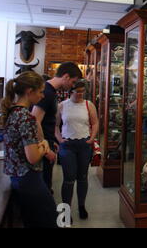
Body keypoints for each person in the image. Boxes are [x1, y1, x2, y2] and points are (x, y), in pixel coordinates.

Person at [0, 71, 57, 228]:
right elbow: (32, 157)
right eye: (40, 92)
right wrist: (44, 145)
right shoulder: (27, 117)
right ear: (29, 92)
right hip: (29, 179)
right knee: (50, 220)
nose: (42, 96)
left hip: (18, 178)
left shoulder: (12, 113)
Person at [31, 62, 82, 193]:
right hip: (42, 150)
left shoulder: (50, 91)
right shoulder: (47, 92)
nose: (72, 86)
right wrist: (46, 149)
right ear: (66, 76)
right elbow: (34, 120)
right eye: (73, 81)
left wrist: (52, 140)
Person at [55, 80, 98, 220]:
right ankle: (66, 210)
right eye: (77, 91)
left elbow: (95, 122)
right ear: (70, 92)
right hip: (67, 145)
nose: (80, 94)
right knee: (68, 178)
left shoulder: (88, 105)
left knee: (83, 177)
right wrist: (60, 139)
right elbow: (55, 125)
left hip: (84, 144)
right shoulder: (62, 105)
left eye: (82, 91)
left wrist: (92, 138)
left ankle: (81, 206)